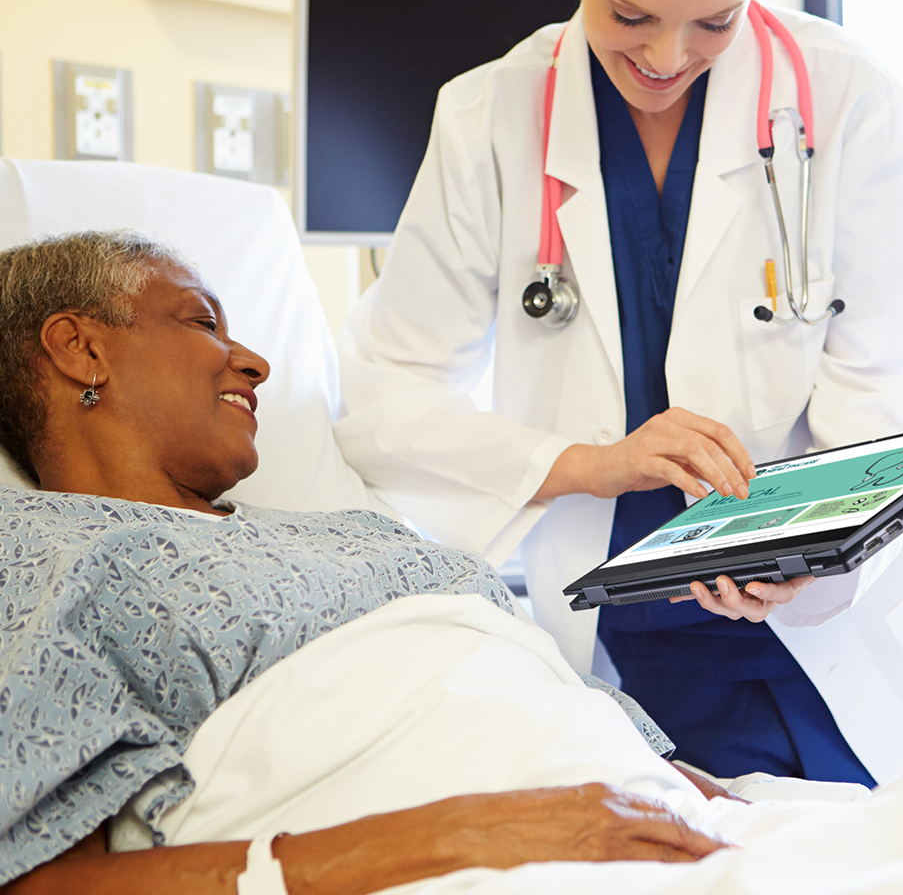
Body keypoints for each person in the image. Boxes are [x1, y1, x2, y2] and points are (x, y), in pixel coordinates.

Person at [333, 0, 903, 787]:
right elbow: (386, 400)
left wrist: (812, 551)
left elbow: (890, 385)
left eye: (716, 20)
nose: (669, 56)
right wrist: (586, 464)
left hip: (847, 629)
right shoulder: (489, 117)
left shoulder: (849, 102)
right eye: (631, 17)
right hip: (642, 654)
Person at [0, 231, 736, 893]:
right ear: (80, 348)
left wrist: (733, 816)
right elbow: (44, 878)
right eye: (200, 322)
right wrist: (458, 835)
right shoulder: (41, 553)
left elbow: (580, 731)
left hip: (656, 825)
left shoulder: (356, 530)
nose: (255, 363)